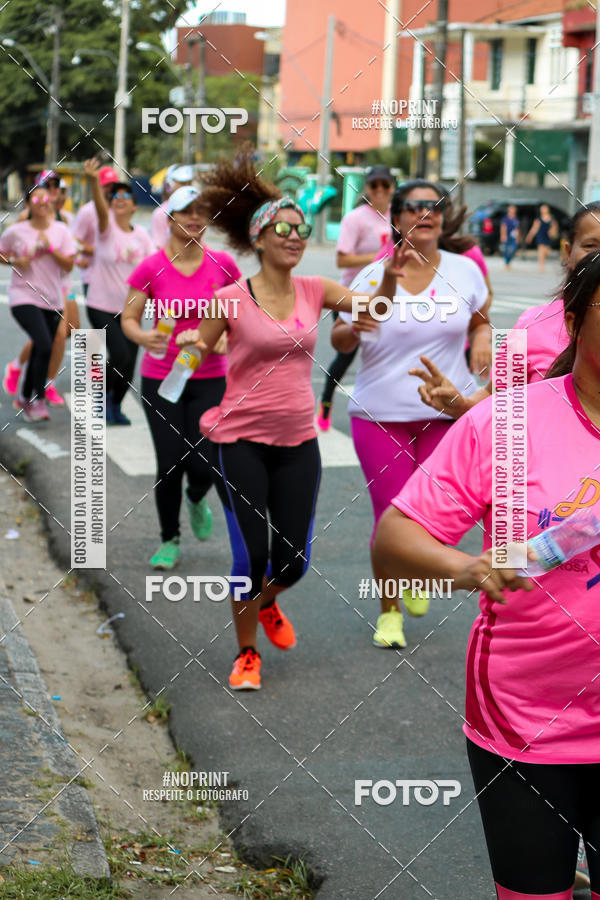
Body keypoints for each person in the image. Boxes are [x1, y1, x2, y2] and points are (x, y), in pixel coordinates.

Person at [373, 248, 600, 900]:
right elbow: (396, 541)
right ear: (577, 319)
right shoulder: (506, 421)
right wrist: (471, 568)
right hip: (526, 720)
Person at [172, 148, 393, 691]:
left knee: (293, 562)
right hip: (241, 439)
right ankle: (246, 653)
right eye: (286, 229)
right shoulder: (229, 297)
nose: (297, 237)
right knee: (252, 555)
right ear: (261, 238)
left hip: (298, 441)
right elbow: (200, 349)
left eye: (303, 229)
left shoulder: (315, 290)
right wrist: (185, 356)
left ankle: (268, 604)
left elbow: (371, 312)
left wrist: (390, 279)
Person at [330, 179, 490, 649]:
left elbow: (480, 318)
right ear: (397, 217)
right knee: (391, 518)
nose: (426, 213)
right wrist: (354, 329)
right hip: (380, 413)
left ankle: (421, 574)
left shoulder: (465, 271)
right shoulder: (370, 275)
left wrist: (481, 340)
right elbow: (340, 341)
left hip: (450, 411)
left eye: (434, 205)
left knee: (444, 514)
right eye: (415, 206)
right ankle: (389, 612)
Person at [121, 185, 241, 569]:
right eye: (186, 212)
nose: (194, 219)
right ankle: (169, 539)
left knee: (205, 462)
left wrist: (224, 337)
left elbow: (243, 316)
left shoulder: (223, 265)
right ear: (170, 219)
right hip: (161, 378)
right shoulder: (150, 266)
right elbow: (128, 319)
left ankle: (196, 497)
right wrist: (144, 336)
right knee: (170, 462)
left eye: (201, 213)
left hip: (210, 377)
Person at [412, 202, 600, 419]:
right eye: (591, 246)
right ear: (568, 252)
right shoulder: (533, 323)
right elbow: (495, 398)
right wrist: (458, 405)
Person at [317, 165, 394, 431]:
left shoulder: (400, 216)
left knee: (388, 352)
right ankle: (326, 402)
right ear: (367, 189)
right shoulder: (355, 219)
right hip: (351, 295)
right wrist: (379, 258)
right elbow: (342, 258)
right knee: (346, 355)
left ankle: (385, 412)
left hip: (388, 296)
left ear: (393, 188)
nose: (381, 191)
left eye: (386, 185)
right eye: (375, 186)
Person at [83, 158, 153, 425]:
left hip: (131, 309)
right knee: (120, 355)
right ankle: (101, 397)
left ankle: (115, 404)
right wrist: (93, 180)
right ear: (111, 204)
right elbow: (100, 210)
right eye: (115, 196)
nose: (120, 198)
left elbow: (152, 271)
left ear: (134, 206)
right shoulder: (106, 230)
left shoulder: (143, 237)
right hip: (100, 304)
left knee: (129, 363)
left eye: (126, 195)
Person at [0, 185, 75, 421]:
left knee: (43, 347)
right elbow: (2, 253)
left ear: (51, 202)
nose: (42, 200)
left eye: (46, 197)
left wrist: (50, 248)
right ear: (29, 203)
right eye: (36, 196)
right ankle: (38, 399)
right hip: (23, 296)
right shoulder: (17, 231)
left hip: (52, 299)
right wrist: (15, 260)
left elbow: (69, 265)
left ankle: (24, 397)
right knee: (43, 345)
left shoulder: (61, 230)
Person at [73, 164, 120, 297]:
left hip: (116, 277)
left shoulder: (120, 210)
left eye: (113, 185)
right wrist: (96, 251)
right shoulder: (87, 211)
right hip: (92, 276)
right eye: (106, 186)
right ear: (98, 186)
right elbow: (74, 241)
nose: (110, 190)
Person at [150, 165, 194, 250]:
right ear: (169, 185)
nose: (187, 187)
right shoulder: (160, 214)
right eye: (183, 183)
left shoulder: (198, 212)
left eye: (189, 183)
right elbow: (158, 248)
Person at [526, 203, 558, 272]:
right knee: (541, 250)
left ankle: (543, 260)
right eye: (542, 209)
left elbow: (555, 228)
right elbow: (534, 229)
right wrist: (529, 236)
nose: (543, 210)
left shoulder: (552, 219)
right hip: (540, 235)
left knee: (546, 252)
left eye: (545, 208)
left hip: (548, 236)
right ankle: (541, 265)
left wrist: (553, 232)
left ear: (548, 210)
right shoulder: (538, 219)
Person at [500, 204, 520, 269]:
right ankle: (506, 262)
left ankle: (509, 261)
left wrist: (518, 237)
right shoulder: (505, 218)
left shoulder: (516, 219)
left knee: (513, 249)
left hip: (513, 237)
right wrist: (503, 235)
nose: (512, 210)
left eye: (513, 209)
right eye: (511, 209)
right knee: (506, 250)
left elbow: (517, 229)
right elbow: (503, 227)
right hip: (507, 236)